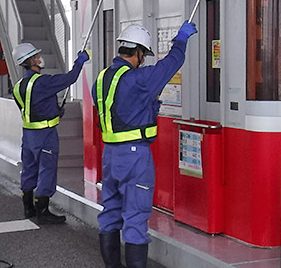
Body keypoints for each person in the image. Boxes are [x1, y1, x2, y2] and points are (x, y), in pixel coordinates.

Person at [94, 21, 197, 268]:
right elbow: (171, 64)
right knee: (136, 216)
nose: (143, 60)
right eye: (143, 55)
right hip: (134, 156)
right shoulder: (138, 79)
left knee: (109, 211)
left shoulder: (103, 78)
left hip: (110, 154)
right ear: (138, 52)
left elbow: (107, 113)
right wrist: (181, 40)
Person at [12, 42, 89, 224]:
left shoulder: (18, 86)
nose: (40, 58)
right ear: (30, 61)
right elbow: (70, 78)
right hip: (45, 135)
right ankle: (43, 211)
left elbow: (33, 107)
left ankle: (28, 207)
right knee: (47, 169)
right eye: (36, 56)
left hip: (28, 135)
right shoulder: (42, 82)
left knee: (29, 169)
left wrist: (54, 110)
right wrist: (80, 62)